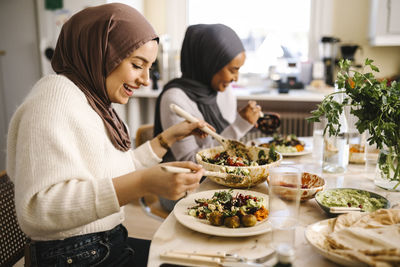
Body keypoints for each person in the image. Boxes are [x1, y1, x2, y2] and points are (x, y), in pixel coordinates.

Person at [6, 4, 210, 267]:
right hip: (73, 255)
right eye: (138, 65)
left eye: (150, 67)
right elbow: (38, 209)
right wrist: (143, 183)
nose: (146, 79)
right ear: (102, 53)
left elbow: (111, 172)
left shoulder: (91, 98)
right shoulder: (53, 100)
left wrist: (167, 139)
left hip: (102, 243)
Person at [153, 24, 262, 212]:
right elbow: (191, 163)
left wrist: (248, 123)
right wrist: (240, 126)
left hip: (217, 180)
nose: (236, 78)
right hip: (184, 189)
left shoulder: (223, 91)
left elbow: (223, 146)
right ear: (210, 62)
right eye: (233, 69)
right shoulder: (175, 98)